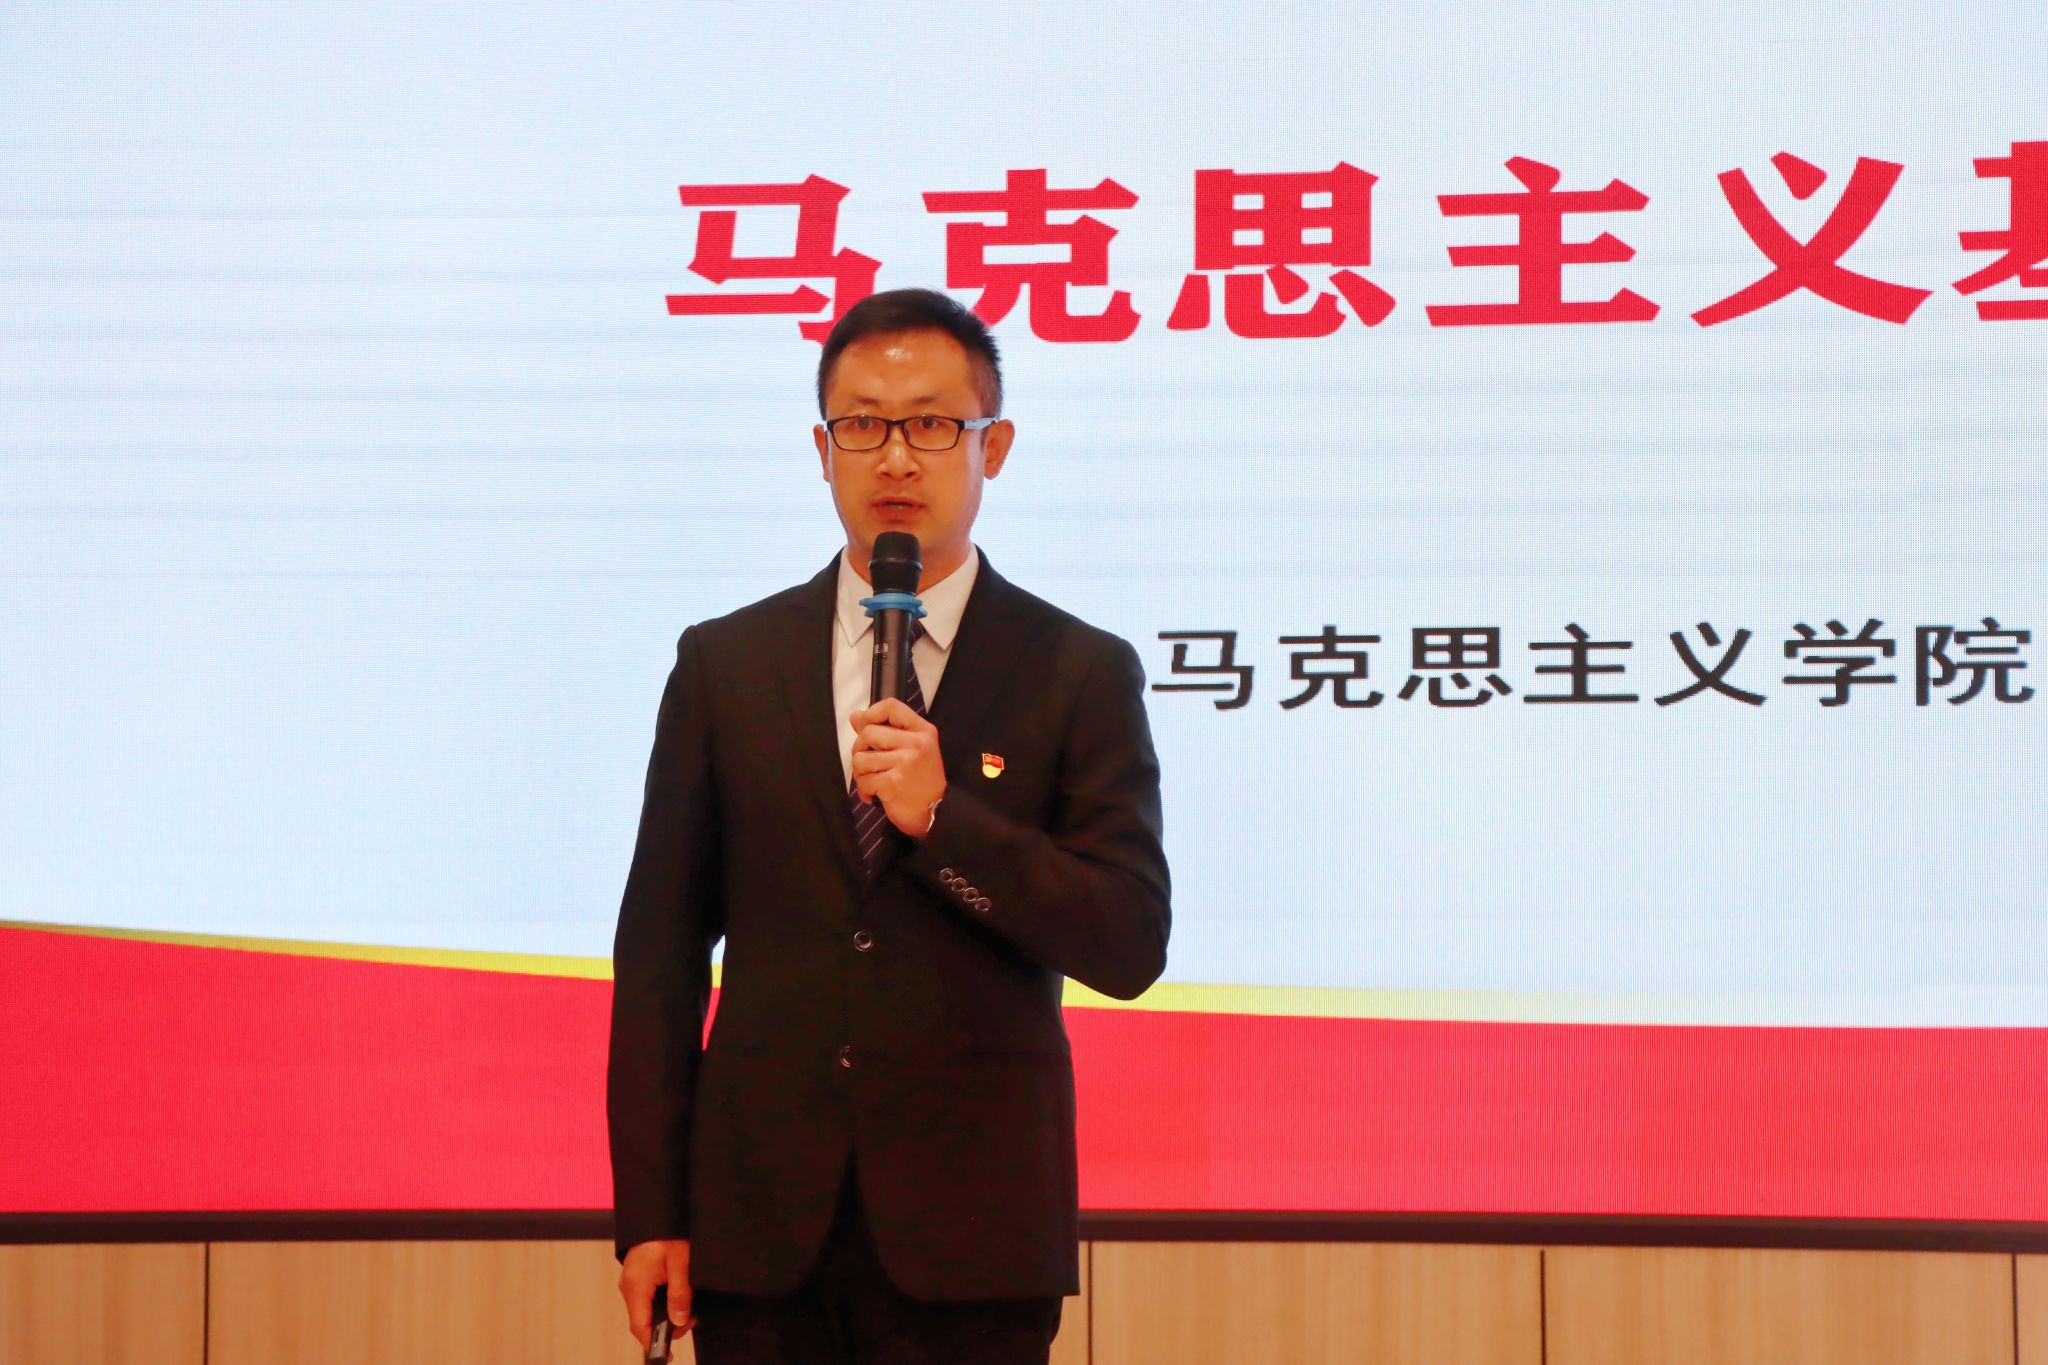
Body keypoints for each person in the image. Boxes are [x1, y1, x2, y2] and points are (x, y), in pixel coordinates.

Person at [607, 287, 1172, 1364]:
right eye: (863, 424)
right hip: (757, 1233)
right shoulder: (726, 665)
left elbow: (1127, 941)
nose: (897, 457)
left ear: (993, 445)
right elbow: (661, 955)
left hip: (974, 1234)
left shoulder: (1077, 670)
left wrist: (943, 819)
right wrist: (650, 1213)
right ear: (823, 450)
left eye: (932, 424)